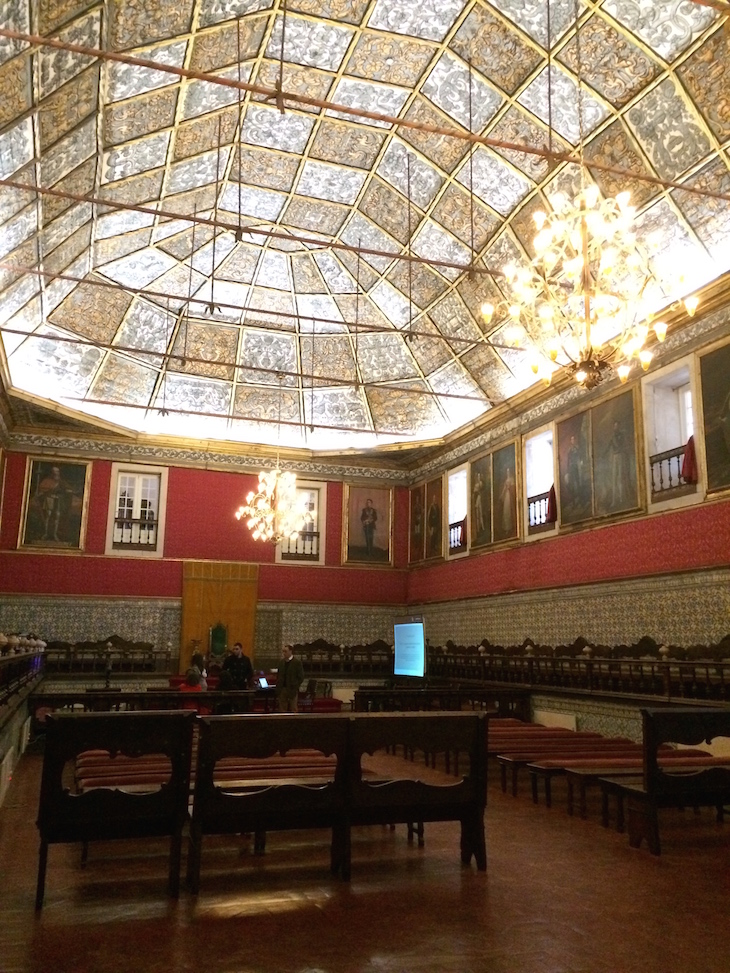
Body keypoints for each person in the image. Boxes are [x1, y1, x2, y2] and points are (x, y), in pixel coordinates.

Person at [275, 644, 304, 713]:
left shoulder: (297, 663)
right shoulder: (281, 662)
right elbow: (279, 675)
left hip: (292, 689)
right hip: (282, 688)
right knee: (282, 709)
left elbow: (301, 677)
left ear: (290, 651)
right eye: (283, 651)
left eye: (286, 651)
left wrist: (295, 685)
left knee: (293, 708)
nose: (284, 653)